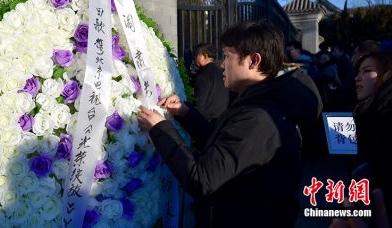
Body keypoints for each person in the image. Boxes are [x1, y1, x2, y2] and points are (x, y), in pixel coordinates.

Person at [137, 22, 322, 228]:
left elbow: (202, 179)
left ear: (253, 61)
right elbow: (225, 148)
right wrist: (186, 113)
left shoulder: (260, 118)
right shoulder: (258, 103)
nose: (222, 64)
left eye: (227, 56)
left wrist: (159, 128)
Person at [352, 52, 392, 220]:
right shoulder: (367, 109)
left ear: (386, 74)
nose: (357, 78)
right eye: (358, 72)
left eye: (367, 71)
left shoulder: (387, 117)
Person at [192, 44, 231, 121]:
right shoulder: (220, 72)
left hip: (206, 121)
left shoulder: (204, 74)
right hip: (221, 119)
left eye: (196, 55)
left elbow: (199, 102)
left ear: (204, 56)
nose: (194, 59)